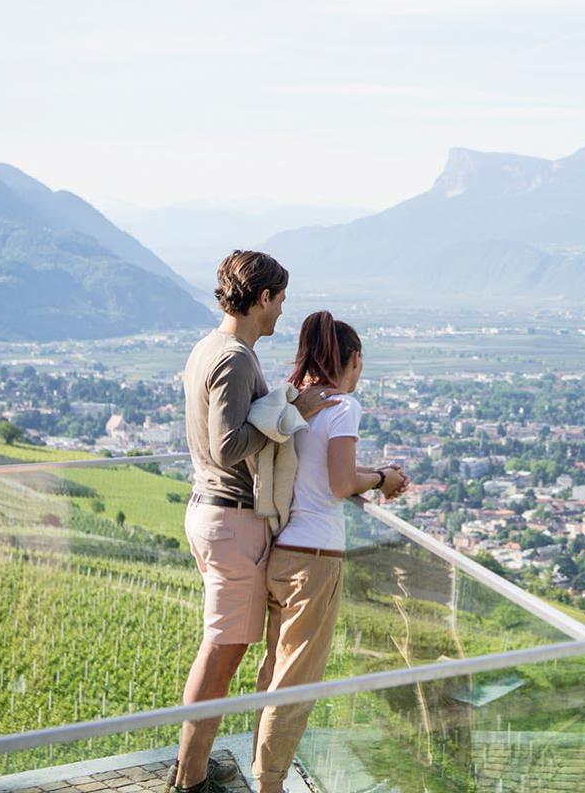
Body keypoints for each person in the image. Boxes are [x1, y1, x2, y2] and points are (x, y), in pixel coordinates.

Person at [170, 251, 336, 793]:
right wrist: (295, 415)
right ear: (262, 297)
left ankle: (191, 767)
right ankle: (190, 779)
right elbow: (226, 447)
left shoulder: (207, 348)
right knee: (221, 655)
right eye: (281, 299)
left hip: (210, 514)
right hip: (232, 521)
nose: (283, 311)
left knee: (221, 647)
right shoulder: (236, 357)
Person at [251, 310, 409, 792]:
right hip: (316, 561)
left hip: (281, 553)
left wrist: (369, 476)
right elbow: (340, 482)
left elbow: (321, 472)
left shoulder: (299, 404)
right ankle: (270, 781)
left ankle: (260, 764)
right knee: (296, 681)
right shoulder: (342, 407)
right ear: (354, 360)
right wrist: (382, 480)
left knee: (275, 668)